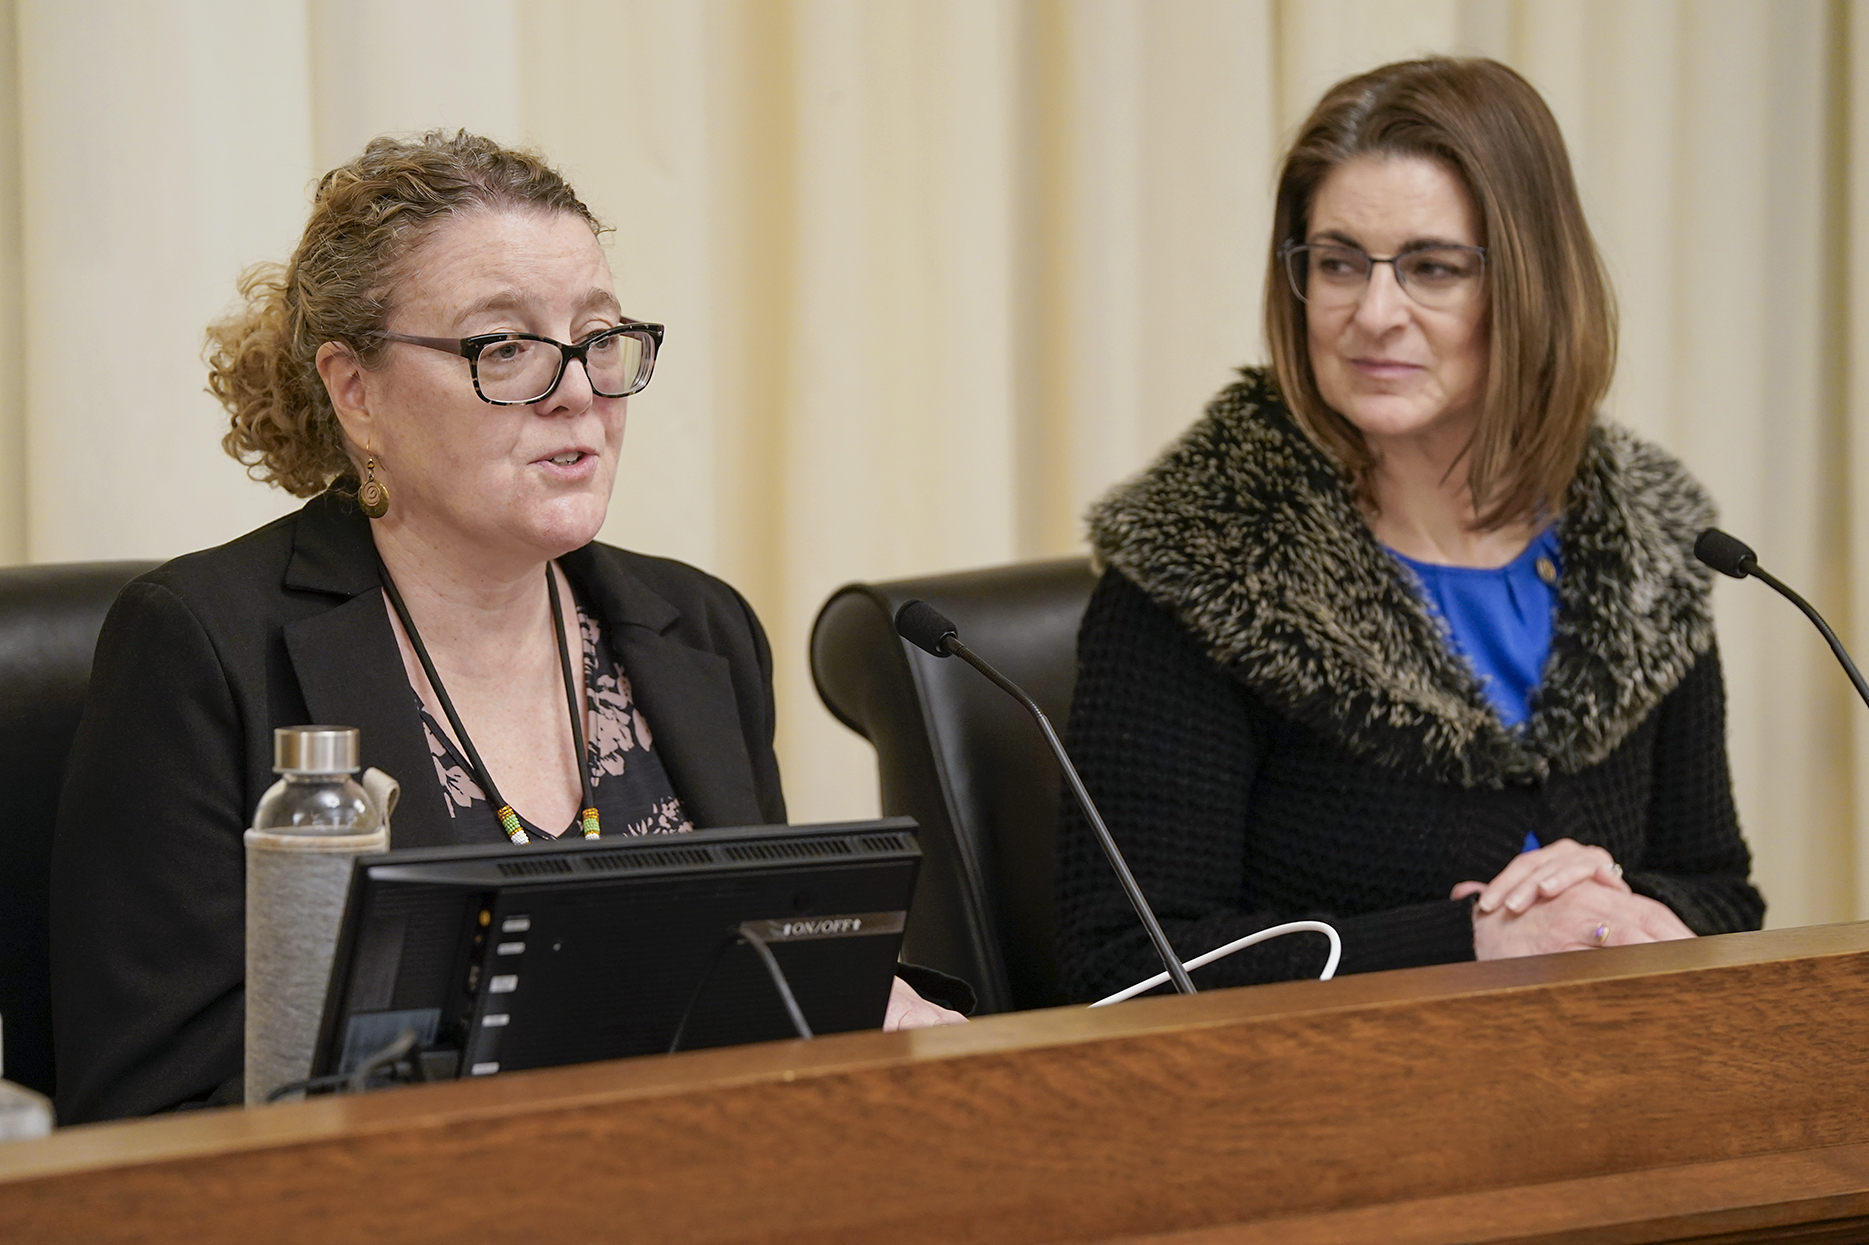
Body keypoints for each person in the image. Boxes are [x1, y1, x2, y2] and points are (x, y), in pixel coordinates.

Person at [51, 132, 964, 1125]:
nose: (577, 390)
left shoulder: (702, 630)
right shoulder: (201, 647)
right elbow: (157, 1107)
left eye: (599, 338)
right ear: (357, 393)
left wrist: (850, 1008)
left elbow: (758, 984)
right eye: (507, 347)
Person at [1055, 58, 1764, 1003]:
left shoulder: (1648, 548)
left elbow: (1720, 892)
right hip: (1325, 1116)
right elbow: (1128, 967)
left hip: (1610, 1092)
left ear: (1529, 286)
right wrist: (1468, 937)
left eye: (1430, 268)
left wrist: (1605, 905)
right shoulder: (1198, 566)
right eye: (1338, 262)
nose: (1372, 314)